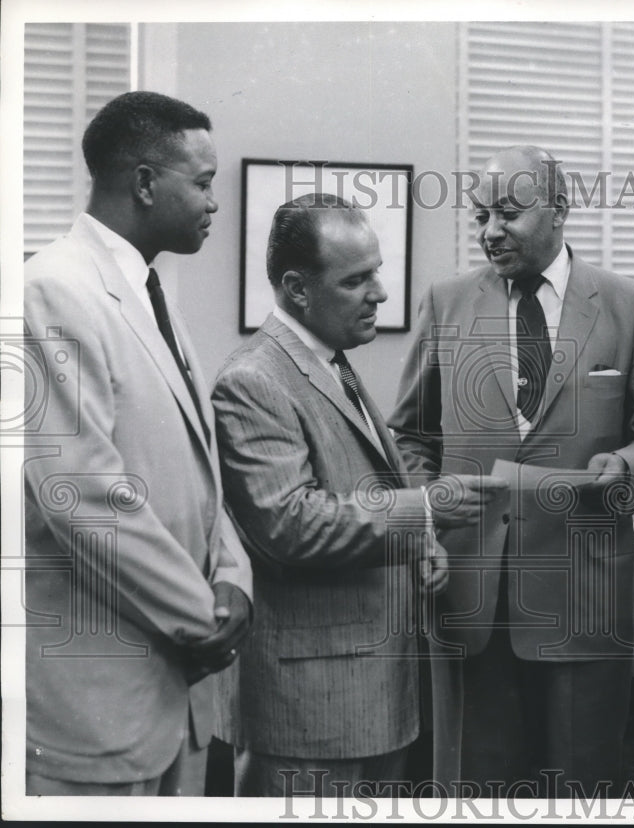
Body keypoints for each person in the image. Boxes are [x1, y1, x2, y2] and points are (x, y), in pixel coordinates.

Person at [390, 145, 634, 795]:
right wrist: (428, 508)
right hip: (467, 597)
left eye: (507, 213)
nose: (489, 230)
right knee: (473, 790)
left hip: (582, 595)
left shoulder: (633, 306)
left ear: (558, 211)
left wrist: (627, 469)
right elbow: (407, 435)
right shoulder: (445, 303)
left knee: (582, 786)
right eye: (480, 215)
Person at [211, 193, 505, 796]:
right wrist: (424, 508)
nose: (380, 293)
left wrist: (423, 543)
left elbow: (358, 489)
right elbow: (289, 524)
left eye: (376, 271)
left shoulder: (331, 362)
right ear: (297, 288)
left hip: (371, 697)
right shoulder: (253, 379)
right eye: (357, 279)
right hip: (312, 713)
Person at [22, 91, 253, 796]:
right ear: (146, 182)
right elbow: (81, 494)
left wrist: (235, 577)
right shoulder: (52, 289)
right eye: (204, 183)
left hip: (174, 693)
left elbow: (198, 466)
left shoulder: (148, 293)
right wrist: (203, 616)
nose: (216, 203)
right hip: (101, 702)